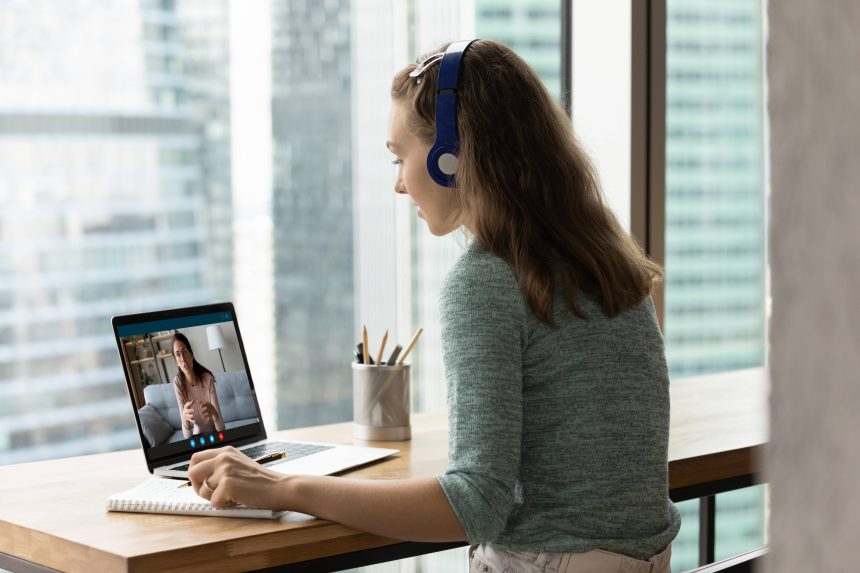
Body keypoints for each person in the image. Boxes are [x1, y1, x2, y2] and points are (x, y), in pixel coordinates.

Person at [187, 39, 680, 573]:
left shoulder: (487, 279)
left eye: (400, 157)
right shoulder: (603, 258)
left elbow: (476, 503)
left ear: (452, 157)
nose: (399, 184)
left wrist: (284, 487)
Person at [172, 331, 225, 439]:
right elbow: (187, 436)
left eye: (185, 352)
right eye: (178, 354)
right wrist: (185, 420)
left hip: (214, 434)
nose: (183, 359)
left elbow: (221, 429)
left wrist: (213, 412)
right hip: (197, 437)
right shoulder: (177, 382)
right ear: (176, 361)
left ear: (191, 354)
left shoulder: (207, 378)